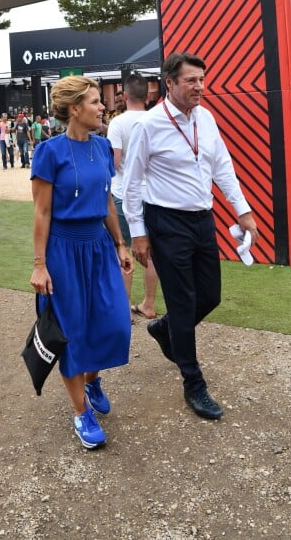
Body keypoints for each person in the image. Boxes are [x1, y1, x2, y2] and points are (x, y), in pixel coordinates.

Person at [122, 52, 258, 421]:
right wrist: (138, 233)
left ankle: (166, 329)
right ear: (169, 83)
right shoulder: (148, 125)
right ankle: (193, 381)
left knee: (209, 295)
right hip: (165, 221)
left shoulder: (207, 118)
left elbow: (223, 168)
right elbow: (131, 183)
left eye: (201, 79)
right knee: (183, 302)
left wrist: (243, 211)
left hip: (202, 219)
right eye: (190, 81)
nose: (199, 87)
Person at [29, 76, 132, 450]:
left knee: (115, 323)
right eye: (94, 102)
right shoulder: (49, 152)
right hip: (63, 251)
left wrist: (120, 244)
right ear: (75, 109)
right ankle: (81, 411)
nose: (102, 107)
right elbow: (41, 214)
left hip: (99, 246)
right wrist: (40, 264)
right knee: (70, 333)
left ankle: (92, 378)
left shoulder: (103, 148)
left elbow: (106, 201)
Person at [107, 72, 159, 319]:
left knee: (124, 249)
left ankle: (124, 307)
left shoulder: (118, 123)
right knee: (150, 251)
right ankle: (148, 304)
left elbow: (114, 160)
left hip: (123, 192)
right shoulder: (156, 119)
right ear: (147, 96)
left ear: (125, 95)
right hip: (153, 194)